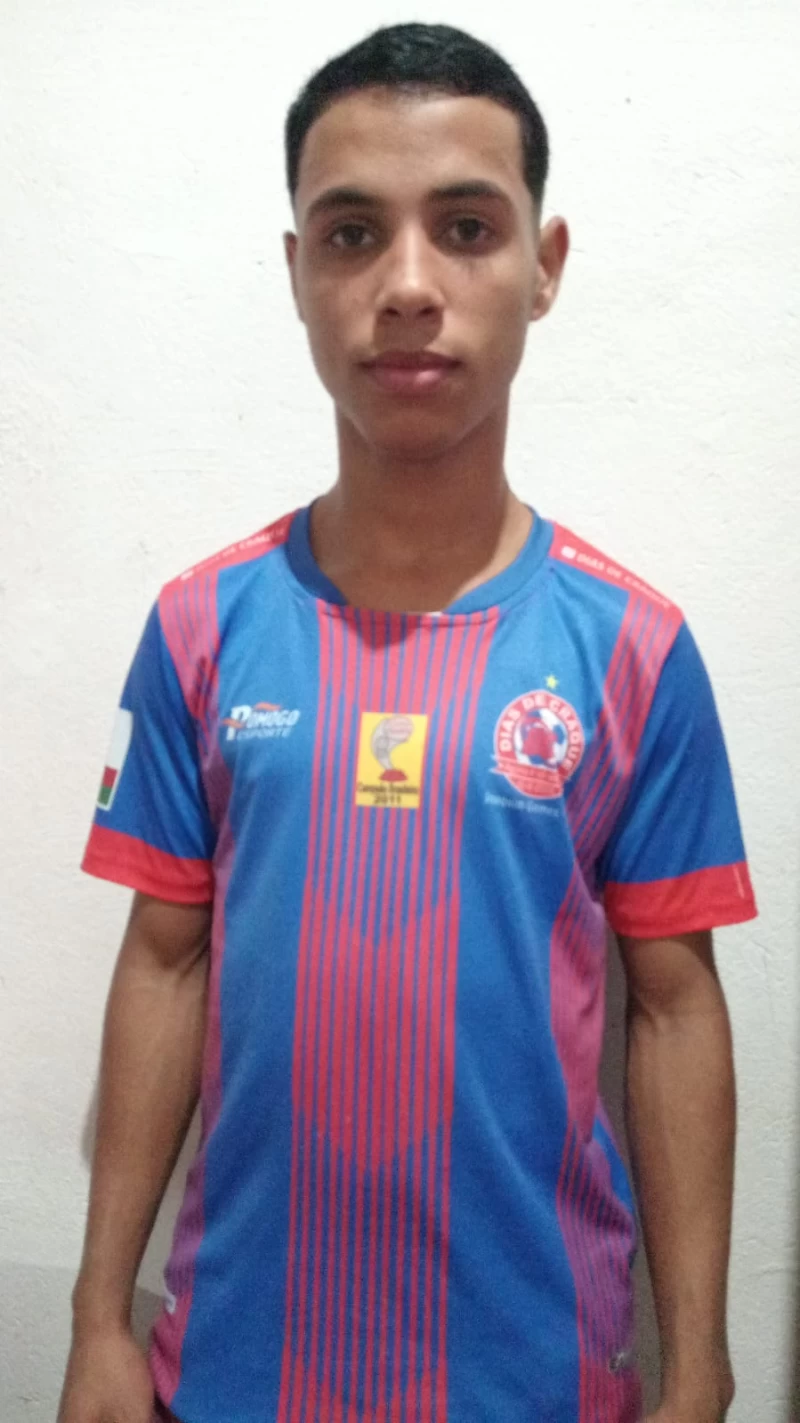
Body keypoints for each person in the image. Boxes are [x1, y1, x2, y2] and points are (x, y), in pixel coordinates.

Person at [58, 22, 757, 1423]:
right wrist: (97, 1322)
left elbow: (677, 1011)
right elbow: (165, 963)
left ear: (545, 266)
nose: (410, 285)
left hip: (542, 1377)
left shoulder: (635, 648)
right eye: (353, 233)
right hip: (236, 1372)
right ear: (297, 273)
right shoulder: (201, 626)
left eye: (467, 227)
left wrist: (700, 1361)